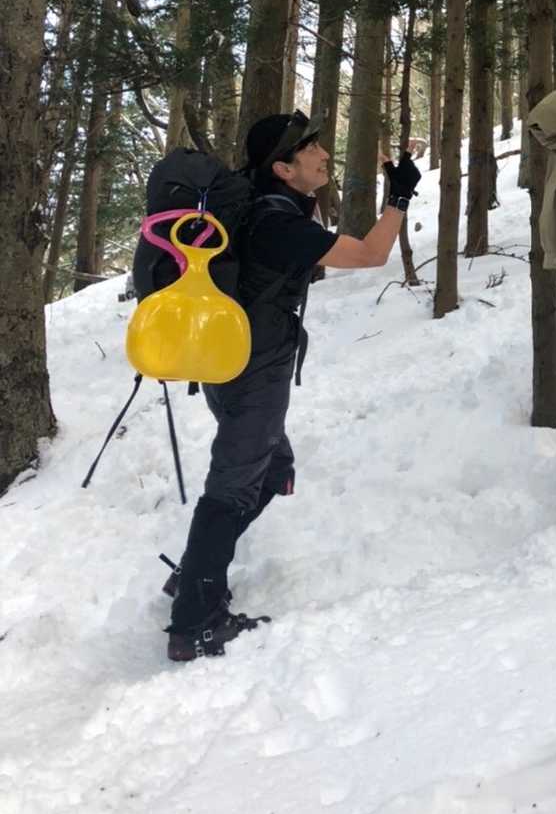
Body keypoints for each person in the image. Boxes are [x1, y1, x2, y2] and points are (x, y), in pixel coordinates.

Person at [164, 110, 420, 662]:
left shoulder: (258, 204)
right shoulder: (275, 222)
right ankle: (195, 622)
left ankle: (198, 569)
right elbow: (371, 255)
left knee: (273, 467)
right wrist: (399, 196)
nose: (324, 154)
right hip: (253, 369)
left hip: (231, 359)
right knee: (233, 484)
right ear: (282, 168)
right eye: (310, 149)